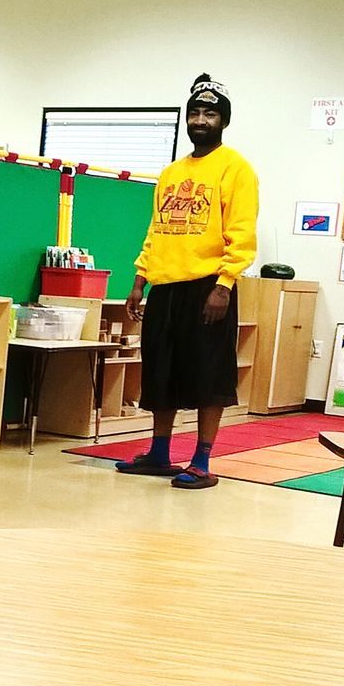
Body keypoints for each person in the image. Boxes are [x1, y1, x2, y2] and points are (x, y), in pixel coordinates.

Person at [115, 72, 258, 489]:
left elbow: (243, 232)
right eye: (194, 112)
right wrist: (140, 280)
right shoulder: (172, 172)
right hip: (166, 287)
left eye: (209, 113)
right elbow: (156, 229)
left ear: (223, 121)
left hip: (208, 287)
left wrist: (224, 285)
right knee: (162, 372)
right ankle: (160, 454)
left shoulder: (236, 169)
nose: (200, 119)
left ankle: (201, 460)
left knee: (207, 376)